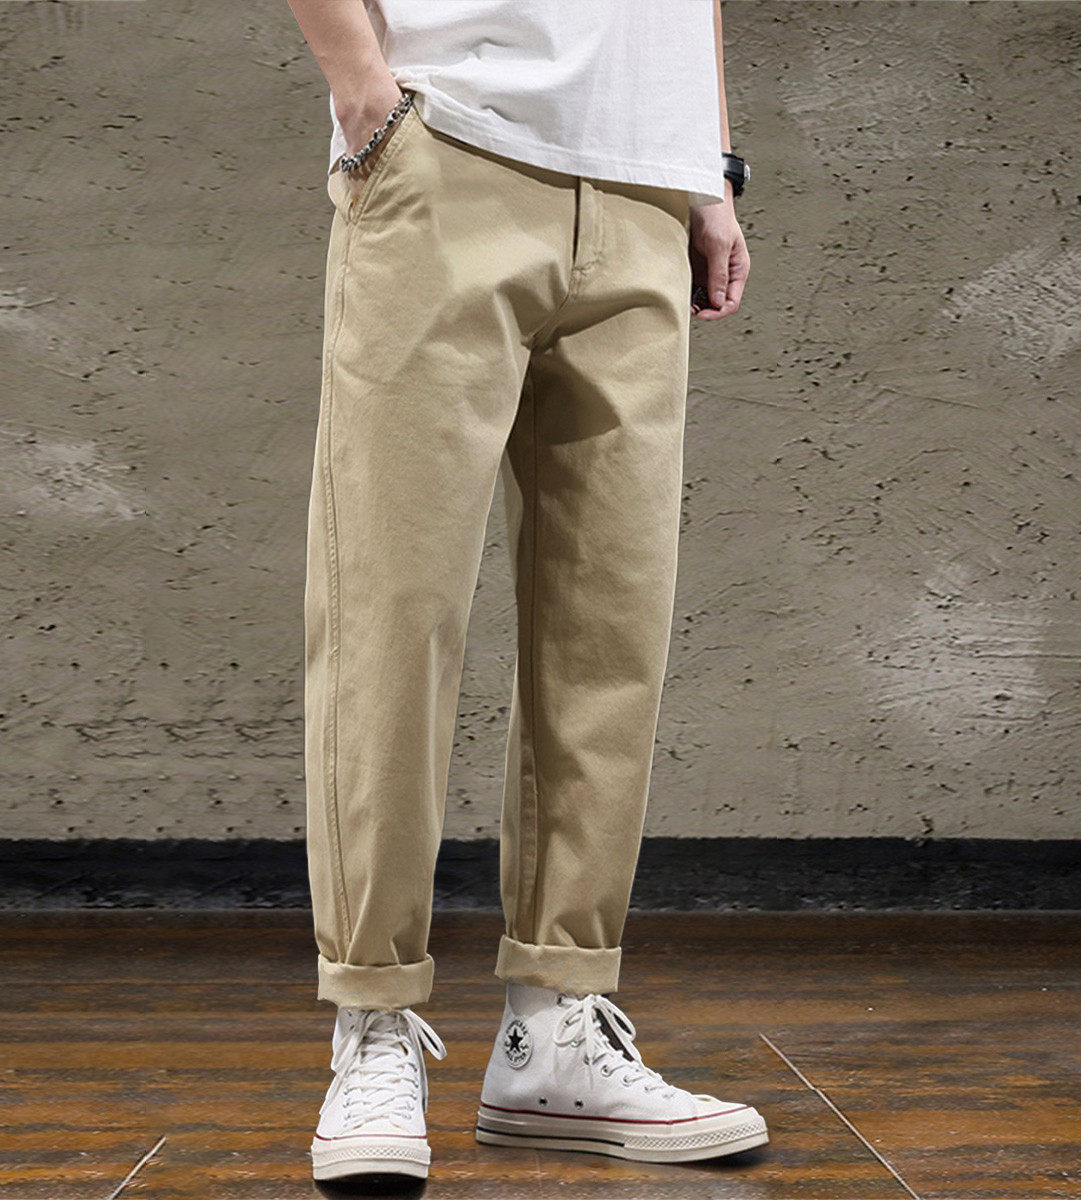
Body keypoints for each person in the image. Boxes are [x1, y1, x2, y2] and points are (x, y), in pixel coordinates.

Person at [285, 0, 763, 1183]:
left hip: (647, 184)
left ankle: (554, 1031)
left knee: (610, 633)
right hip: (451, 147)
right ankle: (372, 1020)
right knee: (391, 612)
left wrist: (707, 166)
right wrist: (364, 93)